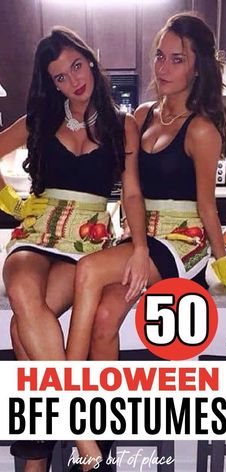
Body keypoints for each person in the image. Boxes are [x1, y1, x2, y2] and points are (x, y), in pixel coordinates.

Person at [1, 27, 149, 472]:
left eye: (76, 67)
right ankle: (83, 435)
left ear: (91, 59)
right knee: (23, 295)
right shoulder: (40, 119)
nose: (73, 81)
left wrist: (139, 248)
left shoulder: (123, 126)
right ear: (52, 84)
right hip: (35, 231)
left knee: (23, 333)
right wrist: (10, 202)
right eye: (60, 77)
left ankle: (36, 461)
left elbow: (133, 195)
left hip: (83, 243)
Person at [67, 10, 226, 369]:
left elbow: (207, 206)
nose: (163, 67)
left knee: (90, 270)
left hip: (181, 239)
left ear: (197, 68)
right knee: (104, 316)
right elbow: (131, 192)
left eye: (178, 59)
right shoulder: (141, 116)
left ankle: (65, 383)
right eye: (160, 56)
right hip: (142, 235)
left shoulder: (202, 129)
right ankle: (100, 405)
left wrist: (222, 263)